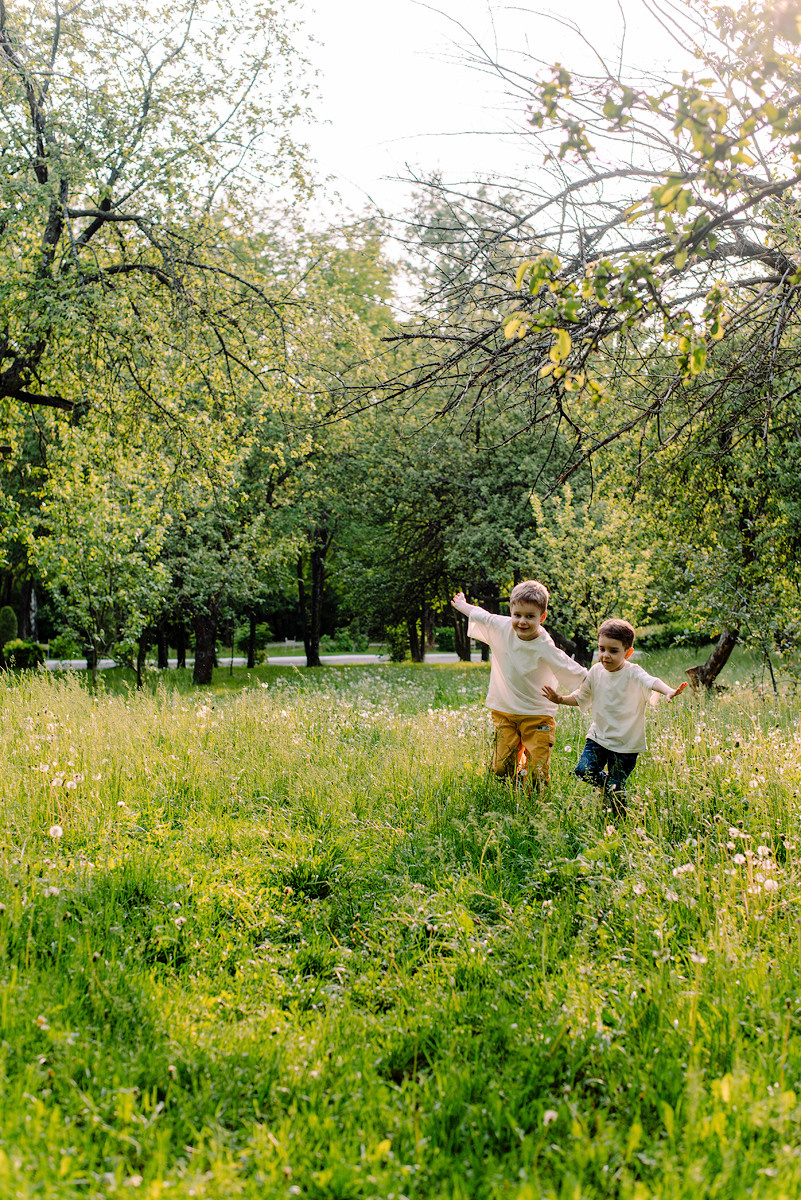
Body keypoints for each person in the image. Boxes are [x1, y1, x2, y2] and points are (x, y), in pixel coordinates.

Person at [543, 617, 687, 815]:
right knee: (583, 771)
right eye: (602, 649)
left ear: (627, 653)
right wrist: (560, 699)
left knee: (616, 788)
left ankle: (619, 818)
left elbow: (652, 681)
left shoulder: (633, 673)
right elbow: (582, 696)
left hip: (626, 744)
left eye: (613, 651)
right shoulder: (596, 671)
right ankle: (609, 785)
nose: (605, 656)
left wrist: (668, 691)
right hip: (598, 738)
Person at [451, 581, 587, 790]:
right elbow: (481, 615)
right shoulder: (502, 626)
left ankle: (534, 801)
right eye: (517, 615)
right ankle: (513, 788)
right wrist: (462, 605)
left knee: (537, 773)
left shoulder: (545, 647)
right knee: (501, 769)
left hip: (538, 715)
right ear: (511, 612)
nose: (522, 621)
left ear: (542, 617)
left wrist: (603, 682)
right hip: (505, 711)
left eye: (530, 616)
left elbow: (574, 670)